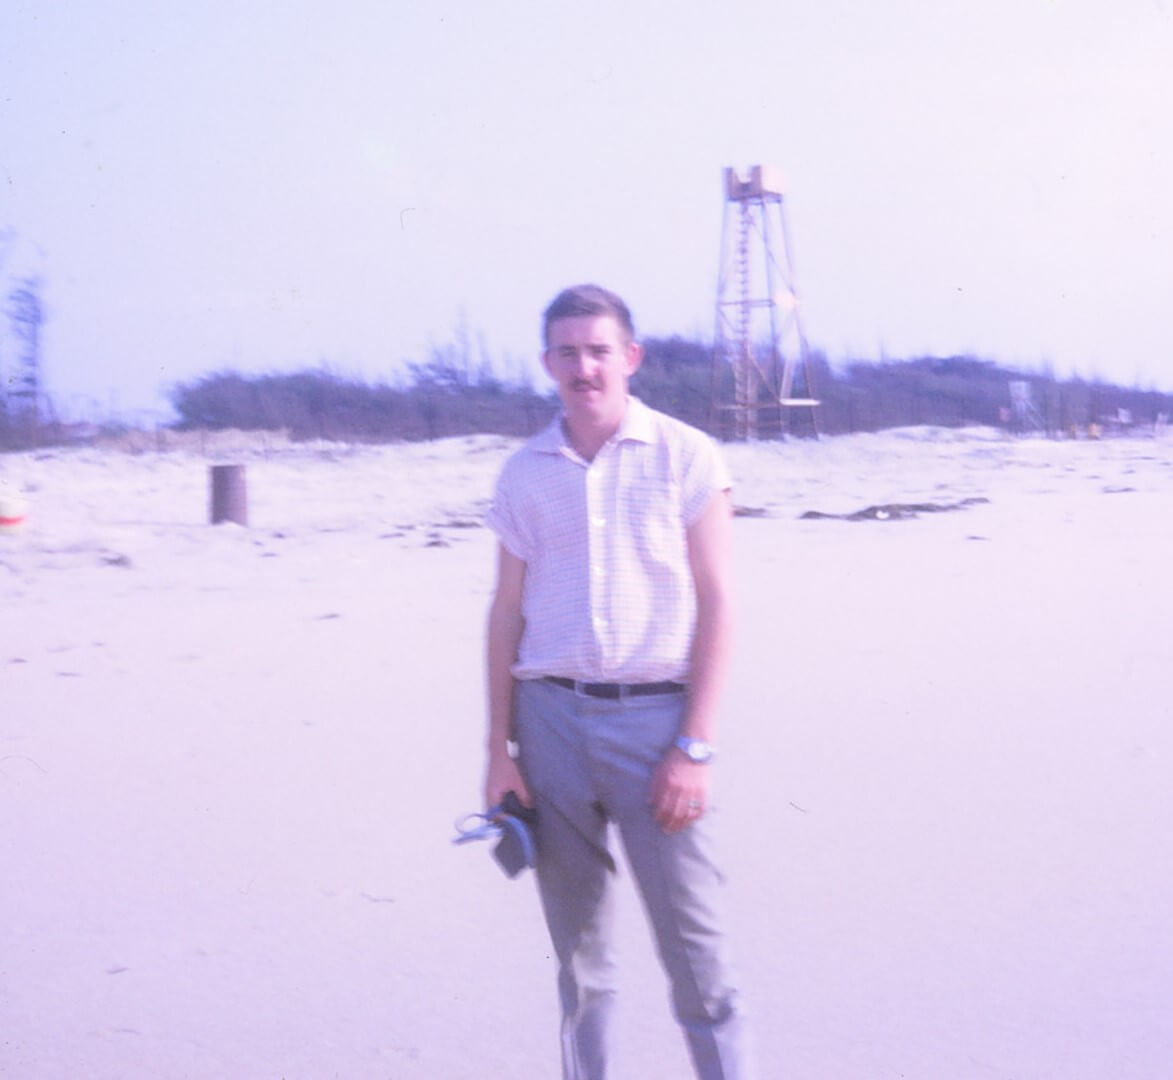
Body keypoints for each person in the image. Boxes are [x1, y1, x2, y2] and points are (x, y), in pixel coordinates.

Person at [483, 284, 755, 1079]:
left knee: (698, 960)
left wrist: (694, 747)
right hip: (549, 727)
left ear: (629, 358)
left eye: (599, 350)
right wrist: (499, 752)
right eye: (567, 352)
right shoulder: (523, 473)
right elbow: (505, 614)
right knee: (580, 965)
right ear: (546, 364)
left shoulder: (688, 457)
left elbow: (719, 604)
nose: (584, 367)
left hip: (656, 727)